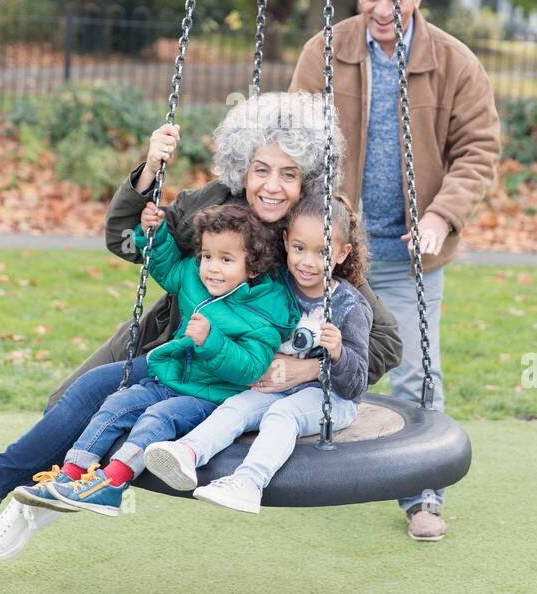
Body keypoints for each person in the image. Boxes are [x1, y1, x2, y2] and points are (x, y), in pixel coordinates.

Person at [0, 93, 401, 562]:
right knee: (78, 396)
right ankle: (6, 493)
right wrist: (150, 170)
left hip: (232, 383)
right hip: (174, 347)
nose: (272, 186)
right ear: (243, 166)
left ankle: (2, 494)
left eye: (289, 174)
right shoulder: (213, 207)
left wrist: (302, 368)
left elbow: (383, 341)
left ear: (308, 177)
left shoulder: (312, 239)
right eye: (261, 169)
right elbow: (126, 239)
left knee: (107, 404)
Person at [290, 0, 501, 542]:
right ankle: (281, 464)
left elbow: (479, 150)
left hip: (410, 253)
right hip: (331, 251)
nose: (384, 9)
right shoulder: (325, 53)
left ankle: (421, 495)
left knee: (413, 372)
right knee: (302, 353)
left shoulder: (455, 63)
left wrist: (441, 216)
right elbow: (297, 137)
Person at [10, 201, 300, 517]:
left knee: (158, 417)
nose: (212, 267)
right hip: (168, 376)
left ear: (253, 266)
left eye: (226, 259)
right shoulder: (195, 278)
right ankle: (71, 475)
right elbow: (165, 267)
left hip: (209, 397)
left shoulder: (263, 314)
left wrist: (212, 342)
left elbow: (251, 369)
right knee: (117, 404)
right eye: (206, 256)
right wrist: (155, 233)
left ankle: (111, 485)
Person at [145, 192, 372, 514]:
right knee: (237, 406)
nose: (307, 261)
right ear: (285, 242)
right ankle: (187, 453)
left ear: (342, 253)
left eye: (321, 252)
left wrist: (337, 355)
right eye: (298, 249)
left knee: (283, 415)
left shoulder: (349, 307)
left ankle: (249, 483)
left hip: (330, 398)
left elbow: (357, 383)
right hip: (277, 389)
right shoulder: (276, 288)